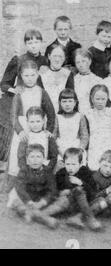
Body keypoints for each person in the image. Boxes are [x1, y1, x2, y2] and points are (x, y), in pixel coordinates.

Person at [1, 30, 48, 163]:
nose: (33, 45)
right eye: (30, 42)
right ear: (26, 44)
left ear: (41, 43)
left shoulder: (45, 60)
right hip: (22, 103)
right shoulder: (18, 60)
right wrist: (14, 89)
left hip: (39, 102)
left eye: (36, 42)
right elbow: (4, 84)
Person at [7, 61, 55, 184]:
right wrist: (20, 130)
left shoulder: (41, 92)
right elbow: (13, 115)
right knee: (18, 156)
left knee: (37, 154)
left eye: (32, 75)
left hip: (37, 126)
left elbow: (51, 113)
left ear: (37, 75)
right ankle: (17, 184)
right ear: (21, 76)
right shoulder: (19, 93)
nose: (29, 79)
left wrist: (48, 129)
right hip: (22, 127)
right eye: (26, 76)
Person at [46, 148, 101, 231]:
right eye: (68, 164)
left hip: (83, 204)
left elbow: (93, 193)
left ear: (80, 163)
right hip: (68, 204)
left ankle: (76, 218)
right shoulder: (61, 173)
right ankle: (90, 219)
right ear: (64, 163)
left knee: (102, 201)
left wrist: (81, 183)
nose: (70, 168)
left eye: (74, 164)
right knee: (77, 190)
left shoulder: (85, 172)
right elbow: (54, 190)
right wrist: (61, 192)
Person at [6, 144, 59, 229]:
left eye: (38, 157)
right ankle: (44, 218)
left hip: (40, 199)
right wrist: (28, 201)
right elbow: (20, 188)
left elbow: (52, 189)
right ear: (27, 159)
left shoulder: (48, 171)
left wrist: (43, 202)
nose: (35, 160)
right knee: (16, 200)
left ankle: (29, 213)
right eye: (32, 157)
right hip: (26, 198)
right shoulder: (24, 170)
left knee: (53, 202)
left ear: (43, 159)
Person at [84, 85, 111, 171]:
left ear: (107, 98)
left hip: (110, 144)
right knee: (95, 168)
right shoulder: (88, 114)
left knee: (110, 167)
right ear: (92, 98)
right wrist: (85, 151)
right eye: (97, 99)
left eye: (103, 99)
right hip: (94, 145)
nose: (100, 102)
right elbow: (86, 134)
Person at [17, 107, 58, 175]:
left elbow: (54, 157)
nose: (35, 125)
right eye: (32, 122)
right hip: (28, 170)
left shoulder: (48, 136)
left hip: (45, 170)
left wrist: (47, 169)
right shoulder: (26, 137)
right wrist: (26, 170)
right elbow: (21, 157)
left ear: (43, 121)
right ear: (27, 122)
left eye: (38, 121)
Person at [73, 49, 103, 114]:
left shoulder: (98, 80)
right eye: (78, 62)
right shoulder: (73, 80)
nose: (81, 65)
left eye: (83, 61)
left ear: (89, 61)